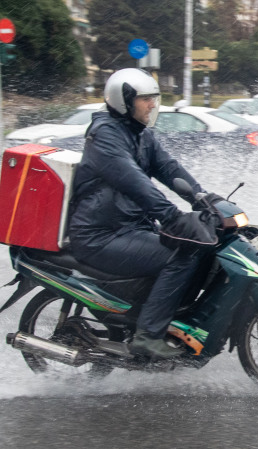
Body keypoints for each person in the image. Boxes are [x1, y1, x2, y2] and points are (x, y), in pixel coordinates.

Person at [68, 68, 217, 359]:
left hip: (129, 227)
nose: (152, 105)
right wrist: (172, 216)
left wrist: (203, 199)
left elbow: (168, 169)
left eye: (154, 99)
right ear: (123, 101)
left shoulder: (139, 134)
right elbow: (132, 181)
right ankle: (148, 335)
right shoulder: (105, 137)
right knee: (181, 254)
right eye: (145, 99)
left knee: (204, 248)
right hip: (100, 235)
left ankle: (169, 320)